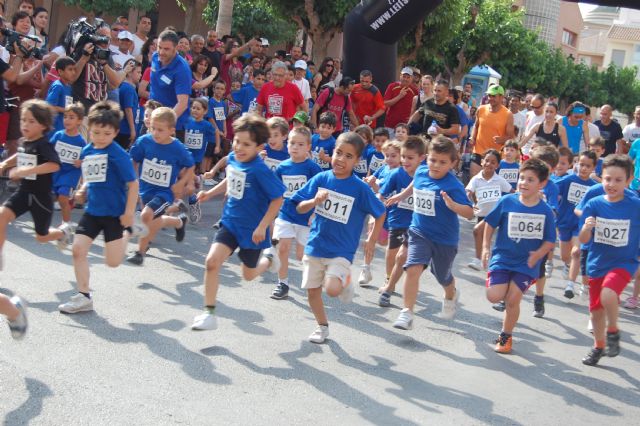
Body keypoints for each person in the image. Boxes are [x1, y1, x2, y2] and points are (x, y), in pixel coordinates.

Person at [191, 115, 286, 330]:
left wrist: (263, 226)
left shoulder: (260, 170)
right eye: (236, 141)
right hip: (230, 223)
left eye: (246, 144)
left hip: (252, 231)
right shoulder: (234, 158)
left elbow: (277, 198)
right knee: (211, 262)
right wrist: (210, 193)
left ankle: (269, 260)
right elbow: (230, 179)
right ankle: (209, 313)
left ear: (259, 146)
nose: (239, 148)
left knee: (249, 274)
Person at [290, 132, 386, 343]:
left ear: (358, 161)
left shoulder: (360, 188)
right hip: (315, 244)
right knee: (312, 291)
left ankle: (345, 281)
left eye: (348, 156)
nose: (341, 159)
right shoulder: (321, 178)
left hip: (342, 249)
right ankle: (322, 326)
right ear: (332, 153)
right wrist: (314, 201)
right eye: (338, 153)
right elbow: (299, 206)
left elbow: (380, 212)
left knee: (332, 289)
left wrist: (371, 239)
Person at [57, 102, 142, 313]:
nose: (101, 137)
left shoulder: (118, 154)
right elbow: (90, 175)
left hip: (115, 214)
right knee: (78, 250)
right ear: (89, 128)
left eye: (107, 133)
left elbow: (133, 184)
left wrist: (129, 213)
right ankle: (84, 296)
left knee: (113, 262)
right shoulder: (88, 149)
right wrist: (82, 189)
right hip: (93, 211)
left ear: (114, 132)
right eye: (96, 132)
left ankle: (128, 232)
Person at [387, 136, 474, 330]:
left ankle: (451, 294)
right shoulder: (421, 172)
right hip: (419, 232)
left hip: (444, 238)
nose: (435, 165)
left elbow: (469, 213)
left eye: (443, 162)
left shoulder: (454, 186)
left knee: (442, 275)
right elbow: (415, 185)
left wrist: (454, 205)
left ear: (453, 163)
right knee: (412, 268)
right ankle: (406, 312)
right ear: (426, 158)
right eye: (432, 160)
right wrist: (401, 195)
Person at [482, 158, 556, 354]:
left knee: (513, 299)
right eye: (522, 178)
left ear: (542, 184)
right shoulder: (507, 201)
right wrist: (485, 248)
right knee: (494, 296)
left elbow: (550, 240)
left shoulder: (546, 211)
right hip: (503, 258)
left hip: (527, 263)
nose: (523, 182)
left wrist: (538, 254)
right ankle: (504, 291)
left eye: (530, 180)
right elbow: (490, 224)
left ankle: (506, 335)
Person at [578, 155, 640, 365]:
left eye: (618, 180)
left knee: (608, 294)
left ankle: (613, 330)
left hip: (624, 262)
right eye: (607, 179)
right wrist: (587, 227)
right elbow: (584, 239)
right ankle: (599, 346)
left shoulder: (635, 205)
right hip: (597, 262)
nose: (611, 184)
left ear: (629, 180)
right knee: (595, 311)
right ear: (601, 178)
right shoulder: (594, 203)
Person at [0, 100, 69, 266]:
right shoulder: (24, 141)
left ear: (43, 125)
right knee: (2, 216)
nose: (25, 124)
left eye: (31, 121)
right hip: (24, 193)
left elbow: (54, 165)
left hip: (41, 197)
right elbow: (21, 155)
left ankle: (63, 232)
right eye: (23, 120)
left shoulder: (44, 144)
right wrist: (4, 164)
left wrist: (26, 171)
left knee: (41, 237)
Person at [126, 107, 193, 265]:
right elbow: (133, 159)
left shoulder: (177, 148)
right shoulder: (144, 141)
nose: (155, 133)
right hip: (145, 189)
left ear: (171, 130)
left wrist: (182, 183)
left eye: (160, 130)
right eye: (153, 128)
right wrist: (132, 180)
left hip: (164, 192)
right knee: (154, 220)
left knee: (145, 216)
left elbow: (190, 166)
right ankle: (179, 222)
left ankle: (139, 252)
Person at [270, 127, 322, 299]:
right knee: (283, 248)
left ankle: (315, 279)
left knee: (301, 255)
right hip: (286, 214)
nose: (295, 147)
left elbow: (321, 192)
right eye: (292, 143)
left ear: (308, 147)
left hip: (306, 218)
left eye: (300, 144)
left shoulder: (313, 169)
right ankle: (282, 283)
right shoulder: (282, 167)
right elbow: (277, 192)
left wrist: (316, 213)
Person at [377, 136, 426, 307]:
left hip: (420, 223)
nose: (405, 161)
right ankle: (389, 280)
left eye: (410, 158)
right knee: (394, 253)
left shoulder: (427, 174)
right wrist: (373, 215)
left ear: (422, 158)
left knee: (411, 258)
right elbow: (381, 195)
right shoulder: (396, 174)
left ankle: (411, 282)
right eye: (403, 157)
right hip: (398, 219)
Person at [556, 151, 598, 300]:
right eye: (581, 164)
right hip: (564, 222)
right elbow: (551, 189)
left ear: (593, 168)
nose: (584, 168)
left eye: (588, 166)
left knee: (576, 252)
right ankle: (567, 265)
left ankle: (570, 285)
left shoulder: (594, 187)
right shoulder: (568, 180)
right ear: (576, 164)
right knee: (565, 256)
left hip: (580, 225)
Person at [466, 149, 512, 271]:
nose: (489, 164)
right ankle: (487, 260)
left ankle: (478, 260)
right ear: (482, 162)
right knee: (483, 237)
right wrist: (468, 201)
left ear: (497, 165)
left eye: (493, 162)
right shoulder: (476, 179)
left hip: (495, 215)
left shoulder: (499, 180)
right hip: (482, 213)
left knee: (477, 231)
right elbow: (468, 191)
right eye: (487, 161)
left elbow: (512, 192)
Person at [149, 30, 191, 141]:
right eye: (159, 47)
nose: (161, 52)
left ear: (176, 48)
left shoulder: (182, 69)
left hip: (172, 126)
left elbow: (182, 104)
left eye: (166, 49)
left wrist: (163, 123)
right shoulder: (154, 57)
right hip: (152, 120)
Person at [50, 103, 86, 225]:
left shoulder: (81, 141)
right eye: (65, 116)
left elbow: (86, 158)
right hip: (56, 170)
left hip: (70, 172)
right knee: (55, 197)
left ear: (79, 121)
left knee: (62, 198)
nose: (67, 120)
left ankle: (66, 224)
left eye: (71, 117)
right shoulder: (58, 135)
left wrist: (80, 162)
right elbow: (49, 149)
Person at [469, 85, 514, 177]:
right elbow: (476, 126)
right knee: (474, 178)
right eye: (489, 96)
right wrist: (472, 137)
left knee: (490, 182)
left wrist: (502, 139)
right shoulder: (481, 109)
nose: (491, 98)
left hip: (496, 154)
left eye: (494, 96)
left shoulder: (508, 114)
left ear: (501, 97)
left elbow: (510, 137)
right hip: (478, 150)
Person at [383, 67, 419, 133]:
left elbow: (418, 108)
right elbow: (385, 103)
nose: (405, 79)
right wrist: (400, 96)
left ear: (411, 79)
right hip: (390, 125)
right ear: (400, 76)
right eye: (404, 76)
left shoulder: (415, 91)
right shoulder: (392, 86)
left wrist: (412, 117)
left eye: (408, 77)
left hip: (406, 127)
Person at [45, 57, 75, 134]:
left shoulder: (69, 87)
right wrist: (67, 110)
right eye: (70, 69)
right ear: (60, 72)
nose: (73, 72)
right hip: (54, 128)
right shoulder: (58, 86)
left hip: (64, 127)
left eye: (74, 69)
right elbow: (49, 106)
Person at [116, 59, 141, 150]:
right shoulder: (128, 89)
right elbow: (128, 109)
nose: (140, 75)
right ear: (130, 73)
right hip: (125, 130)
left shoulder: (127, 87)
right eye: (138, 72)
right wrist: (132, 129)